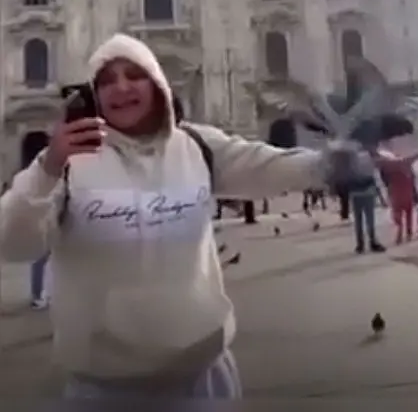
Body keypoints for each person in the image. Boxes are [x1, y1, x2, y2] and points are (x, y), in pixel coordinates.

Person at [0, 33, 354, 400]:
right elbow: (14, 244)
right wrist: (47, 167)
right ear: (92, 94)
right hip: (103, 386)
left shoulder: (197, 146)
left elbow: (263, 165)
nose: (121, 88)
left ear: (157, 83)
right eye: (106, 81)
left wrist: (327, 164)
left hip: (202, 376)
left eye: (134, 75)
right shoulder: (70, 161)